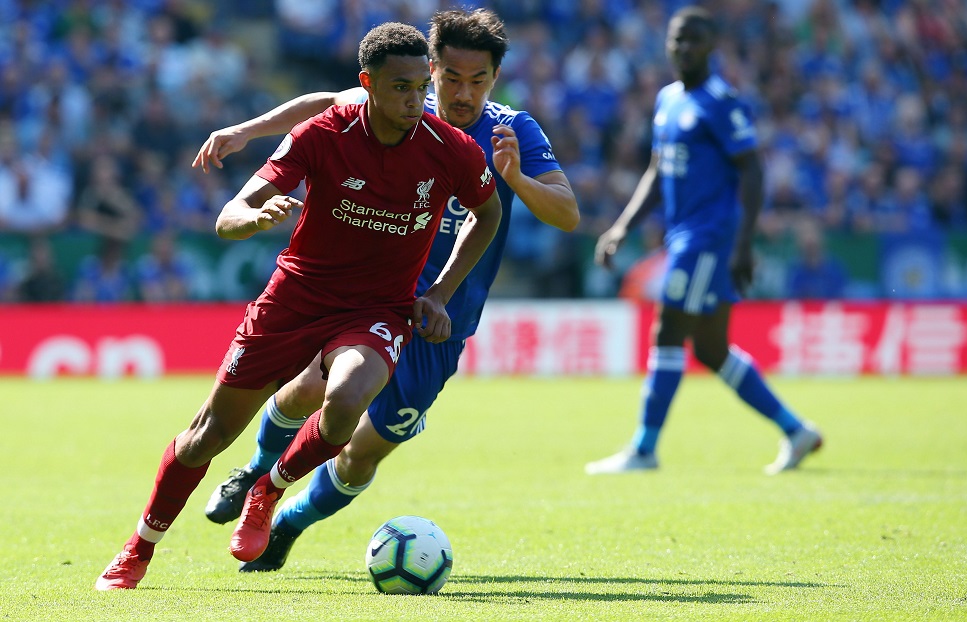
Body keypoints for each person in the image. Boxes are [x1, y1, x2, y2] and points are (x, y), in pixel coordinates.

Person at [96, 21, 502, 590]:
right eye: (399, 89)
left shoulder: (448, 148)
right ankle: (139, 548)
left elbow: (489, 215)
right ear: (367, 84)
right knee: (206, 437)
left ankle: (270, 487)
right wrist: (251, 219)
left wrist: (438, 293)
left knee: (347, 399)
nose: (415, 102)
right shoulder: (323, 133)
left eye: (419, 87)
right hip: (296, 298)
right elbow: (230, 213)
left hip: (377, 310)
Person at [190, 8, 579, 573]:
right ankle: (254, 476)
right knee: (309, 395)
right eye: (451, 78)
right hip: (369, 302)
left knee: (361, 454)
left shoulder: (511, 131)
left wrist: (515, 179)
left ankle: (287, 524)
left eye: (479, 80)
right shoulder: (396, 105)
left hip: (442, 322)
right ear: (431, 68)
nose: (463, 93)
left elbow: (567, 214)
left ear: (496, 77)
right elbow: (324, 103)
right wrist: (246, 131)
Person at [585, 7, 823, 476]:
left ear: (712, 47)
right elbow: (657, 171)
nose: (684, 48)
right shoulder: (668, 100)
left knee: (667, 330)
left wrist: (744, 244)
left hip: (708, 239)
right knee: (712, 349)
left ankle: (644, 448)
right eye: (677, 40)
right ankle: (796, 431)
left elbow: (752, 169)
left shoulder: (721, 102)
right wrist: (623, 227)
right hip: (685, 238)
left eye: (694, 40)